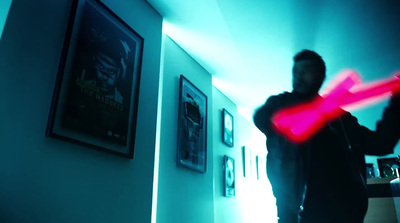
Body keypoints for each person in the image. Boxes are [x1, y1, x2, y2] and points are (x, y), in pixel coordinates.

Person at [253, 49, 400, 223]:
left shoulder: (341, 119)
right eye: (296, 72)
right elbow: (261, 118)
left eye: (306, 71)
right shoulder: (280, 106)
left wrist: (397, 101)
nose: (299, 76)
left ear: (320, 76)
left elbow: (381, 143)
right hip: (299, 215)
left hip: (347, 214)